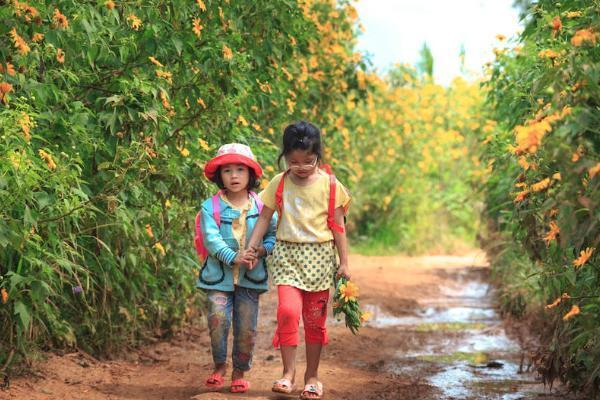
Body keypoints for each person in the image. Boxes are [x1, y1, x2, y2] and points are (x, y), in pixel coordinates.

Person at [246, 121, 351, 400]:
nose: (302, 167)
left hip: (320, 258)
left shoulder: (331, 185)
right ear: (285, 157)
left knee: (315, 322)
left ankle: (312, 377)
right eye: (294, 161)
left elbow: (339, 226)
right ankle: (288, 374)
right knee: (288, 313)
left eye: (309, 161)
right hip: (288, 257)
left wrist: (344, 263)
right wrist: (252, 246)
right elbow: (265, 217)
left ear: (318, 155)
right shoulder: (279, 183)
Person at [196, 143, 277, 393]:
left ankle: (239, 370)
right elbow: (211, 239)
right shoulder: (211, 207)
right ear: (219, 175)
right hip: (218, 278)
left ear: (250, 174)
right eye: (227, 170)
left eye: (240, 170)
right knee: (217, 320)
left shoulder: (262, 207)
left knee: (246, 327)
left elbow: (273, 236)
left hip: (249, 279)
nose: (233, 176)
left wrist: (261, 251)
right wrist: (233, 256)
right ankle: (219, 365)